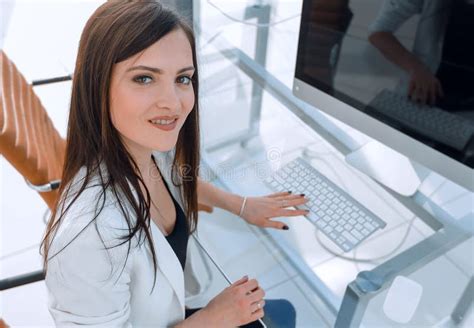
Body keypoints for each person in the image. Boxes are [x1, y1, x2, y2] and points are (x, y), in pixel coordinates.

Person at [41, 1, 305, 327]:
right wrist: (212, 319)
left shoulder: (142, 149)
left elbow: (174, 178)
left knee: (284, 312)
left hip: (176, 315)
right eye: (144, 79)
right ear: (97, 84)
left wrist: (241, 205)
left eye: (183, 78)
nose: (173, 103)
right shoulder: (88, 239)